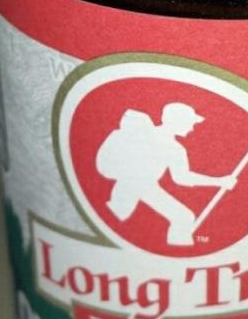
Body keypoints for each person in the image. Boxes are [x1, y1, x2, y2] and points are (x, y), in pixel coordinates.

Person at [96, 103, 237, 246]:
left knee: (182, 217)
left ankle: (179, 251)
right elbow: (182, 178)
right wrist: (219, 181)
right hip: (133, 185)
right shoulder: (168, 145)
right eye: (190, 123)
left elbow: (181, 178)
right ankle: (179, 250)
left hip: (143, 186)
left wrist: (219, 181)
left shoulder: (173, 147)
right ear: (178, 122)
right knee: (116, 215)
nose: (192, 128)